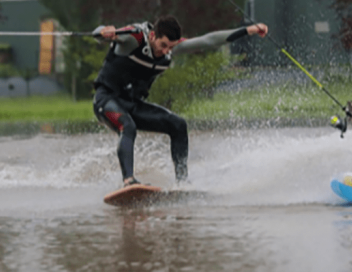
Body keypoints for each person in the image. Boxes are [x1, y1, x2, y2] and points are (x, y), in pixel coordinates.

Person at [92, 16, 268, 187]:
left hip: (132, 105)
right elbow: (99, 34)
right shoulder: (134, 38)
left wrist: (248, 30)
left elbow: (209, 41)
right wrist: (105, 31)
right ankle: (129, 181)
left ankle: (182, 183)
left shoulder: (170, 48)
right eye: (163, 45)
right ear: (153, 36)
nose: (166, 51)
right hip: (106, 101)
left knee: (178, 125)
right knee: (127, 125)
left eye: (171, 47)